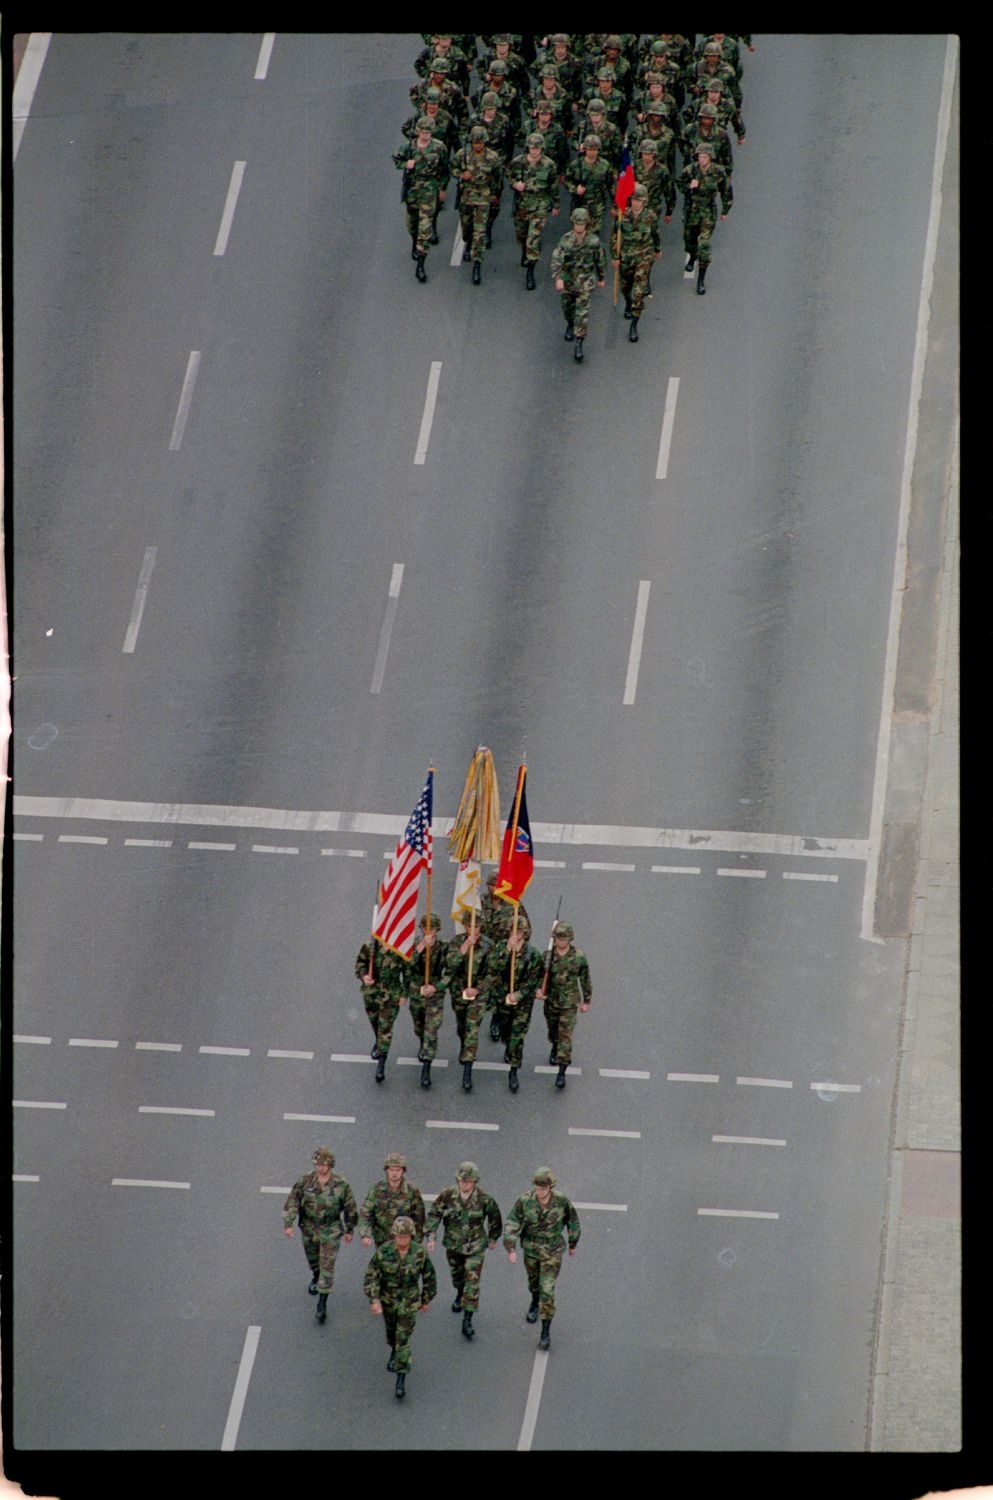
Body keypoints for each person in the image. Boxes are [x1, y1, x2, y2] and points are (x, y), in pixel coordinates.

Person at [504, 1168, 581, 1351]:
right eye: (538, 1187)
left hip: (552, 1251)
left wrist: (573, 1243)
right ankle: (534, 1301)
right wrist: (511, 1247)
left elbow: (573, 1222)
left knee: (547, 1290)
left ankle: (545, 1332)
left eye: (544, 1188)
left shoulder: (561, 1201)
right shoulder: (525, 1200)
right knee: (534, 1284)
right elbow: (512, 1221)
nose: (540, 1191)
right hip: (531, 1249)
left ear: (550, 1187)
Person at [425, 1162, 502, 1341]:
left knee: (472, 1282)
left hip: (475, 1246)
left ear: (475, 1181)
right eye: (461, 1180)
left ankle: (467, 1319)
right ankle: (459, 1293)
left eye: (468, 1181)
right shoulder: (448, 1195)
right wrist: (431, 1235)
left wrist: (492, 1238)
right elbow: (435, 1213)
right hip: (453, 1245)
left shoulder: (484, 1198)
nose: (464, 1184)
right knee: (457, 1276)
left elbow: (495, 1218)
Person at [364, 1215, 437, 1399]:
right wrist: (374, 1299)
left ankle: (401, 1378)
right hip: (388, 1301)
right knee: (391, 1334)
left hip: (409, 1302)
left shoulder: (419, 1253)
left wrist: (426, 1299)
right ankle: (394, 1350)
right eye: (399, 1236)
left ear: (411, 1236)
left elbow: (429, 1277)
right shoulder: (384, 1251)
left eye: (405, 1237)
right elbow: (371, 1275)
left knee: (403, 1338)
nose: (402, 1240)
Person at [282, 1147, 358, 1324]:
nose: (320, 1168)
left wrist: (349, 1229)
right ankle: (316, 1276)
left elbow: (350, 1207)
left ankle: (322, 1304)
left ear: (330, 1165)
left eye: (323, 1165)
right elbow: (293, 1199)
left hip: (330, 1230)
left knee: (327, 1266)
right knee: (313, 1260)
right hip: (309, 1227)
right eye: (317, 1164)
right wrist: (288, 1223)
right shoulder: (306, 1180)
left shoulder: (341, 1184)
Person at [484, 923, 544, 1091]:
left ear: (525, 934)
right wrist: (507, 951)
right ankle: (507, 1043)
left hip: (522, 1002)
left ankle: (514, 1070)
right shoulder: (500, 947)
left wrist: (518, 994)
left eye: (519, 931)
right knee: (506, 1031)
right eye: (513, 931)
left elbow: (534, 979)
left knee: (517, 1037)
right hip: (502, 998)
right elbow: (492, 968)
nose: (516, 934)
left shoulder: (533, 954)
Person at [537, 920, 593, 1086]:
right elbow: (539, 977)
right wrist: (539, 991)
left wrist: (586, 1000)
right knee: (553, 1031)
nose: (560, 942)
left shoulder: (579, 957)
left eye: (563, 939)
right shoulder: (547, 956)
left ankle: (562, 1071)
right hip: (551, 1002)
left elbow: (585, 979)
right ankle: (554, 1045)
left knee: (566, 1037)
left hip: (569, 1003)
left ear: (570, 939)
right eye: (558, 938)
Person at [393, 117, 449, 283]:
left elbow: (444, 169)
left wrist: (442, 188)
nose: (425, 135)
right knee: (412, 224)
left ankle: (421, 264)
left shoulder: (439, 147)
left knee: (425, 228)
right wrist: (406, 164)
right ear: (418, 131)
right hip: (412, 190)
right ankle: (415, 242)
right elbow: (396, 158)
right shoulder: (409, 147)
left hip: (429, 190)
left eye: (428, 132)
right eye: (422, 131)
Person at [550, 206, 606, 364]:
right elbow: (556, 258)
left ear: (586, 224)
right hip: (568, 281)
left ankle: (579, 343)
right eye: (577, 224)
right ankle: (569, 323)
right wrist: (558, 277)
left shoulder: (593, 241)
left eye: (582, 224)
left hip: (585, 283)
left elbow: (600, 260)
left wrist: (601, 277)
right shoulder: (566, 240)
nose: (579, 227)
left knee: (582, 315)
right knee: (567, 308)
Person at [354, 935, 411, 1083]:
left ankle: (381, 1063)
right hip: (371, 993)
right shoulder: (370, 946)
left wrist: (404, 994)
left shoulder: (400, 949)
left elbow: (407, 973)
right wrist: (364, 976)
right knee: (375, 1023)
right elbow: (360, 963)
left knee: (385, 1028)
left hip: (391, 994)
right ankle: (378, 1041)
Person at [678, 144, 731, 294]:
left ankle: (701, 280)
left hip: (708, 211)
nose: (702, 160)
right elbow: (679, 183)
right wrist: (689, 186)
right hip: (692, 210)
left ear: (710, 158)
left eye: (705, 157)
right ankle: (692, 254)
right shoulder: (691, 170)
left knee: (704, 245)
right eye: (700, 156)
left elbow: (726, 190)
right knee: (689, 239)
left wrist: (725, 210)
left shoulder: (718, 171)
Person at [442, 920, 488, 1091]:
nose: (474, 929)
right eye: (470, 926)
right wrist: (465, 946)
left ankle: (468, 1069)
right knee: (462, 1026)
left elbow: (493, 973)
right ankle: (464, 1043)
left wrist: (477, 989)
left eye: (477, 926)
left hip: (478, 994)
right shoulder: (456, 941)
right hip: (459, 991)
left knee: (472, 1028)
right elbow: (450, 965)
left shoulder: (487, 945)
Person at [510, 133, 560, 288]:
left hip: (540, 206)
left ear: (542, 149)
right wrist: (515, 184)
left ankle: (530, 273)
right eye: (532, 147)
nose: (534, 150)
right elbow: (509, 176)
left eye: (537, 148)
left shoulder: (549, 165)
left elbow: (553, 185)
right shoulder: (518, 162)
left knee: (533, 239)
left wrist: (556, 205)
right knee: (522, 235)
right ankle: (525, 252)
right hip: (522, 205)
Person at [611, 183, 661, 343]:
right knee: (625, 288)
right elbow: (615, 236)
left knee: (638, 293)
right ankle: (628, 303)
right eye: (633, 199)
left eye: (639, 200)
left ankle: (634, 324)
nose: (636, 203)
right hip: (626, 257)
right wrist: (615, 257)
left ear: (644, 201)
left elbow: (655, 233)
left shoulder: (650, 216)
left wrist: (657, 249)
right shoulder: (622, 215)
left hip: (644, 258)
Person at [457, 125, 504, 283]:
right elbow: (452, 168)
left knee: (480, 232)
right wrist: (461, 174)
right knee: (466, 228)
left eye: (480, 142)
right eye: (475, 142)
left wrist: (495, 195)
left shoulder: (492, 157)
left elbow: (498, 176)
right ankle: (468, 242)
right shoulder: (463, 154)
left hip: (483, 196)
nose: (478, 145)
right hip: (467, 195)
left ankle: (477, 265)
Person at [409, 912, 448, 1088]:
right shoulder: (414, 945)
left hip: (434, 996)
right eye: (425, 928)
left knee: (431, 1030)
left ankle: (426, 1065)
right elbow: (406, 964)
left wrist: (436, 986)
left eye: (432, 929)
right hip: (417, 994)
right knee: (419, 1027)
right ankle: (423, 1045)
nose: (428, 931)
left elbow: (450, 971)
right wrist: (422, 946)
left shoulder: (443, 948)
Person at [358, 1153, 426, 1249]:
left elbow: (419, 1219)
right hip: (382, 1242)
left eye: (398, 1170)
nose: (394, 1173)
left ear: (403, 1171)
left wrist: (417, 1243)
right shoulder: (376, 1190)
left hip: (405, 1242)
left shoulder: (412, 1191)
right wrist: (365, 1234)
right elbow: (365, 1213)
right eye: (391, 1170)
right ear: (386, 1170)